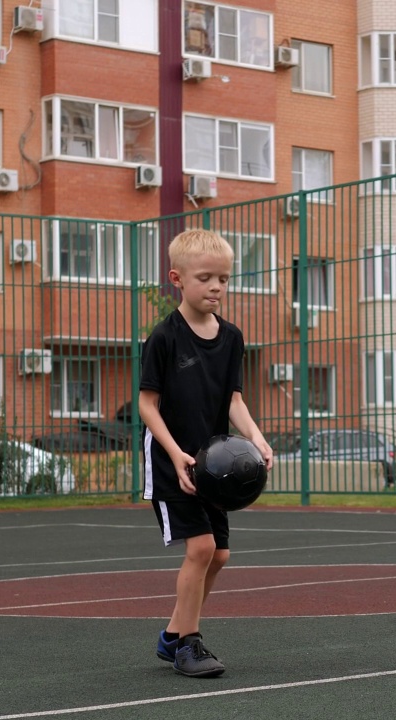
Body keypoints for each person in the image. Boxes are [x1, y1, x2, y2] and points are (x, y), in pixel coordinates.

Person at [138, 228, 274, 678]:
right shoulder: (164, 337)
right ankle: (188, 646)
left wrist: (255, 435)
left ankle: (173, 635)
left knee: (219, 555)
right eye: (205, 278)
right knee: (200, 548)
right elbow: (147, 404)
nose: (217, 286)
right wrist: (176, 454)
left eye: (224, 278)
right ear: (177, 278)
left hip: (214, 464)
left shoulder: (232, 338)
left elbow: (233, 399)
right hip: (171, 460)